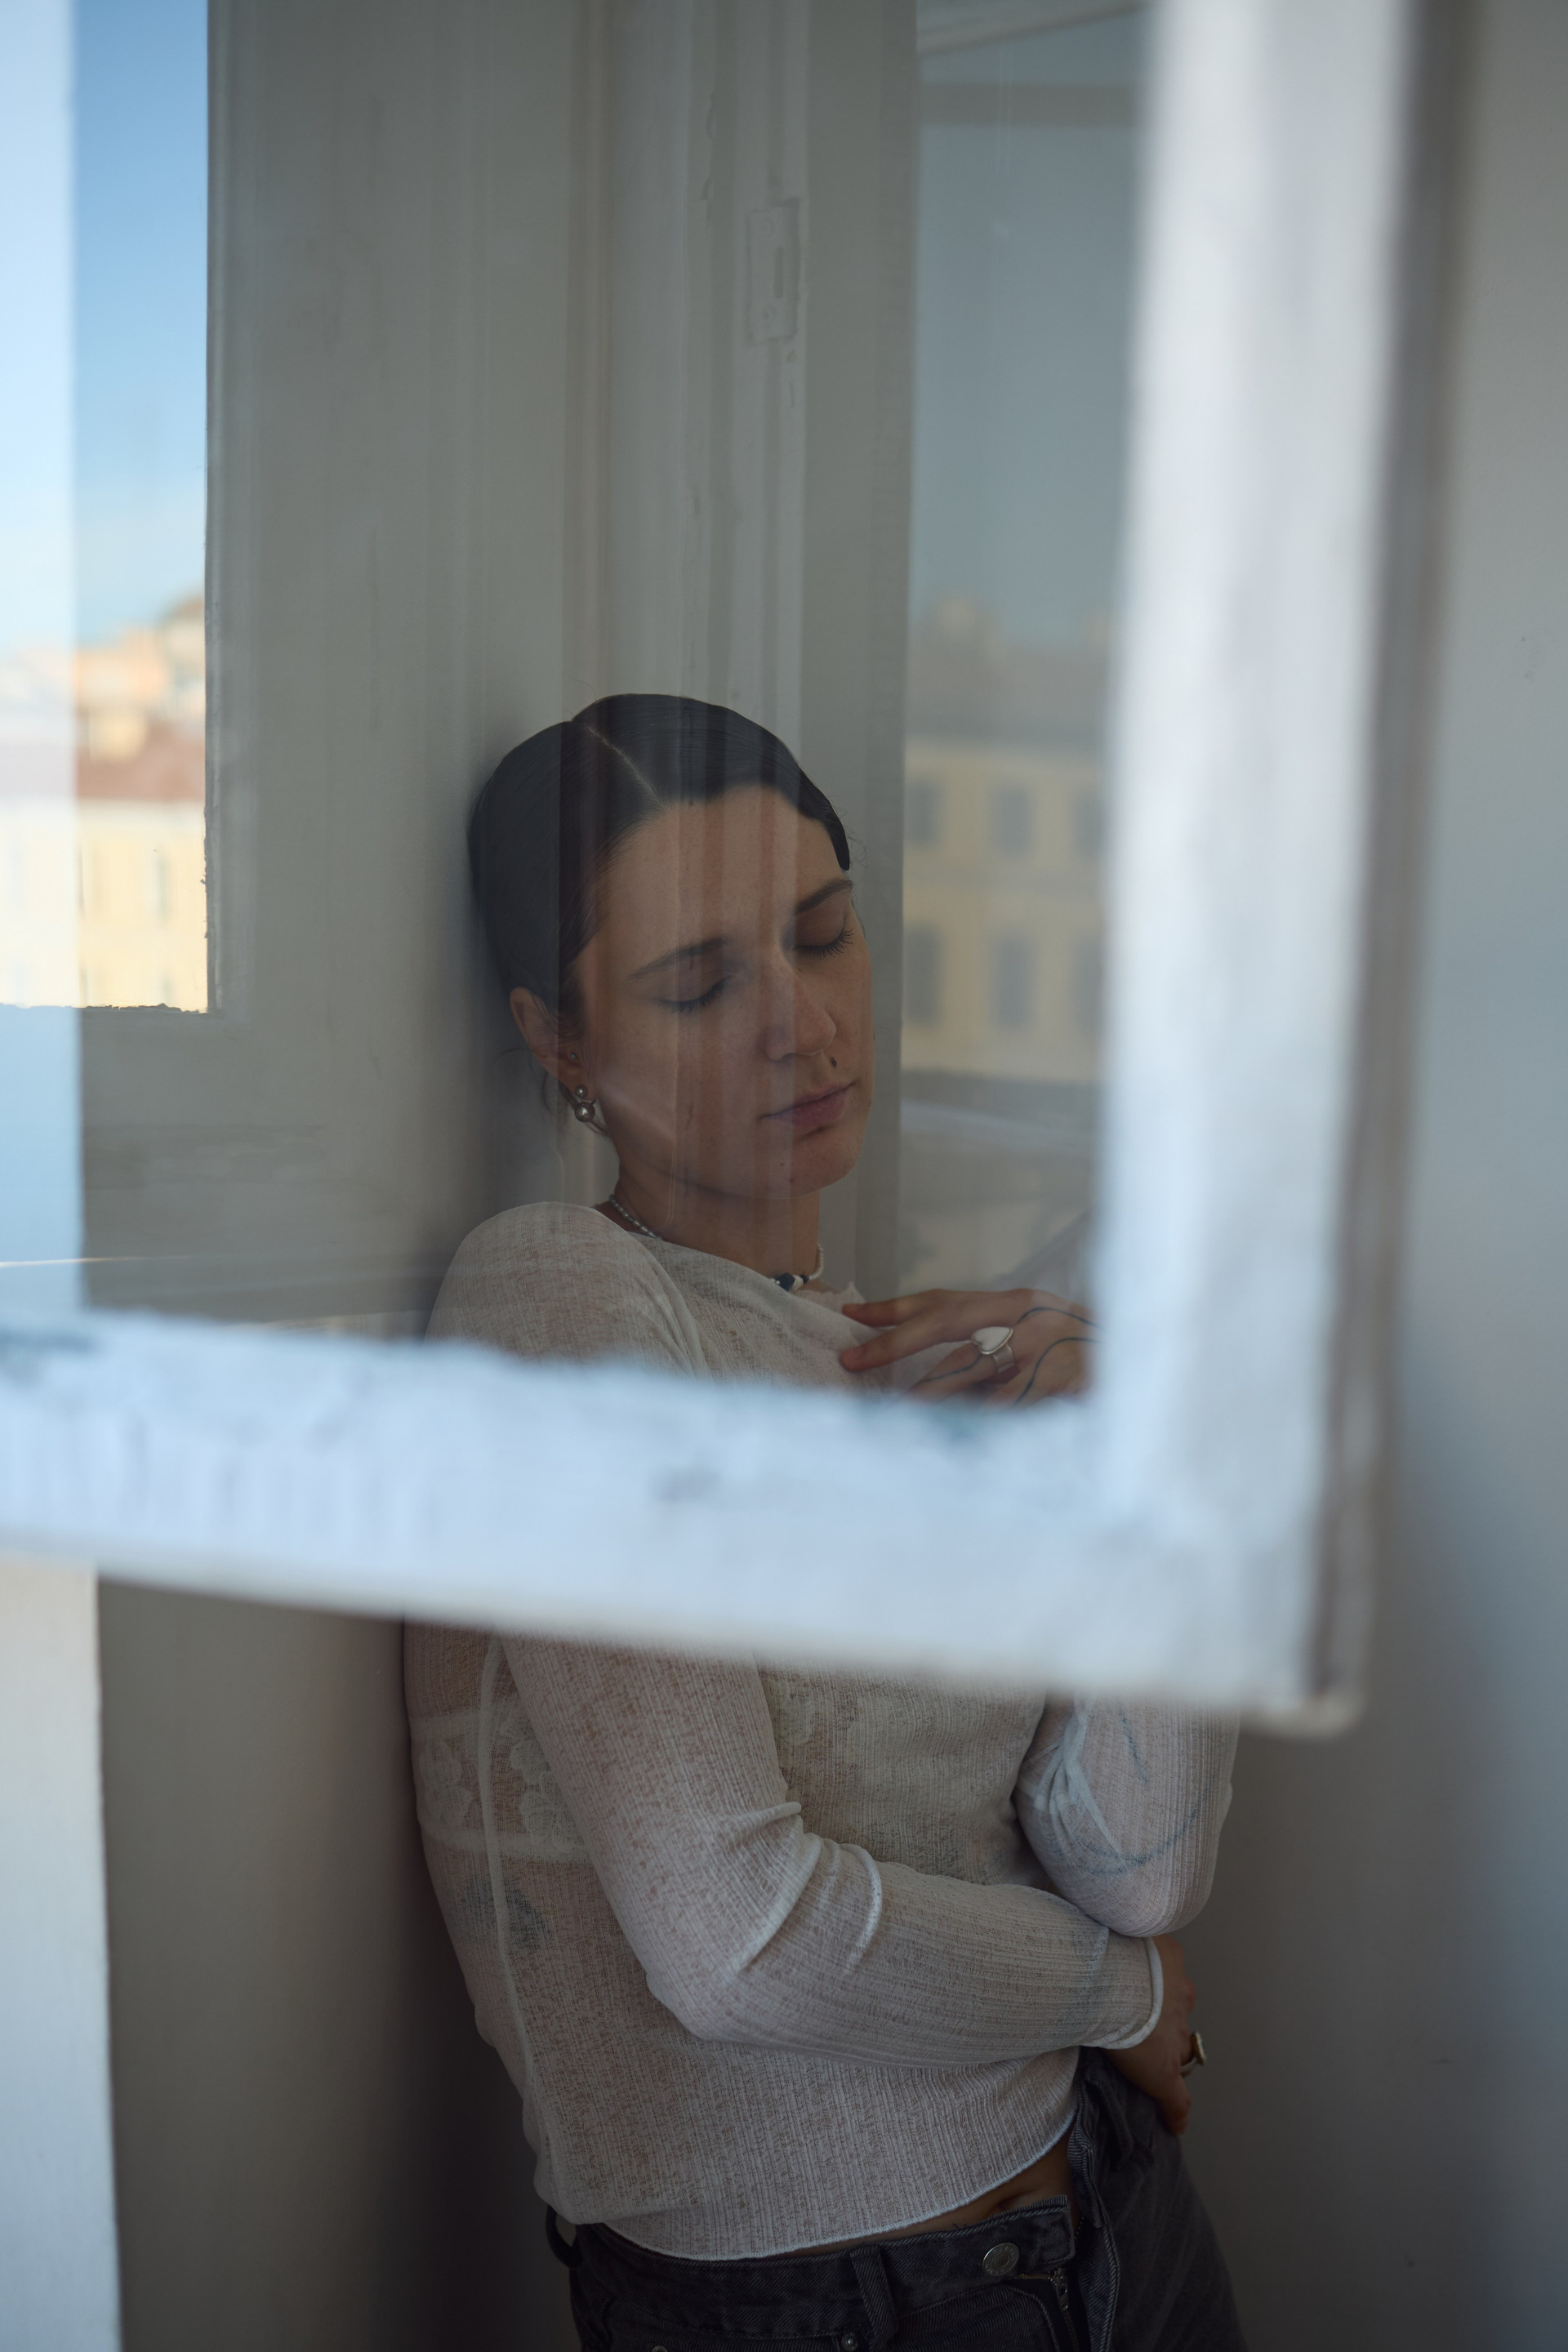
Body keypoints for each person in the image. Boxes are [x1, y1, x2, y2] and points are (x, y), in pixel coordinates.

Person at [405, 694, 1242, 2351]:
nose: (804, 1025)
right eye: (698, 982)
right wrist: (1119, 1996)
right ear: (557, 1039)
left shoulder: (900, 1359)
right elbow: (746, 1946)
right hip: (845, 2304)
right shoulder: (557, 1296)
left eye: (822, 934)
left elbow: (1140, 1861)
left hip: (1117, 2211)